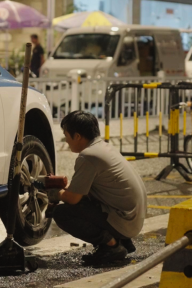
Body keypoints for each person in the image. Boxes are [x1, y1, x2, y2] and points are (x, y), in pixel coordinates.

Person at [50, 111, 146, 264]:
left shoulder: (88, 156)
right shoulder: (103, 147)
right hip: (132, 218)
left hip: (125, 221)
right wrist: (66, 189)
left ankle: (112, 245)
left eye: (66, 134)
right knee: (83, 204)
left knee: (61, 213)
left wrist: (54, 193)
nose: (66, 140)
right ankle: (123, 241)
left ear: (78, 136)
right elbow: (85, 191)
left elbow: (73, 199)